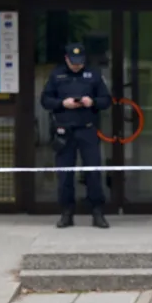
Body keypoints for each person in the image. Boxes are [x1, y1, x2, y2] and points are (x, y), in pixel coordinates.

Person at [40, 43, 112, 229]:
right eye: (73, 62)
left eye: (80, 62)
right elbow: (45, 100)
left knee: (93, 172)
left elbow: (106, 100)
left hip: (87, 130)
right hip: (65, 132)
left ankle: (97, 212)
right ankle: (66, 213)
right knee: (65, 175)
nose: (77, 65)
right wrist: (63, 103)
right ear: (66, 59)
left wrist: (92, 101)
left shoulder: (94, 75)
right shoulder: (57, 75)